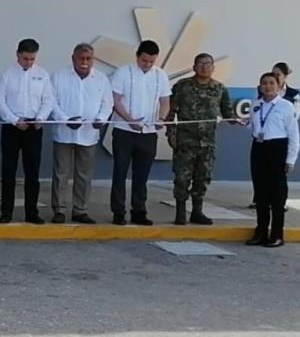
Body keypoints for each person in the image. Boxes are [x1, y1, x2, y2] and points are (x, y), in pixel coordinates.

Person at [166, 53, 236, 225]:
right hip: (185, 142)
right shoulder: (182, 86)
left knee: (202, 178)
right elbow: (170, 112)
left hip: (208, 143)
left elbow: (228, 114)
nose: (204, 67)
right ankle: (180, 213)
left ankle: (197, 212)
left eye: (208, 64)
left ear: (213, 67)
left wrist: (244, 120)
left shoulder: (219, 89)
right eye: (200, 63)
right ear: (194, 67)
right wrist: (171, 133)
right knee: (182, 177)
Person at [109, 40, 171, 226]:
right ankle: (118, 211)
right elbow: (115, 100)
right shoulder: (123, 72)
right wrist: (129, 119)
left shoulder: (160, 75)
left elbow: (165, 102)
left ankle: (139, 211)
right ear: (137, 56)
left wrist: (161, 118)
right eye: (144, 60)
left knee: (142, 175)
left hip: (149, 133)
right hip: (124, 131)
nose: (147, 65)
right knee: (120, 172)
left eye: (151, 61)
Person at [49, 43, 112, 224]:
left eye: (88, 59)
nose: (84, 62)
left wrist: (101, 118)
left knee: (84, 174)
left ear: (93, 60)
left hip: (89, 134)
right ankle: (59, 209)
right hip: (63, 133)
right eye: (81, 58)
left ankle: (80, 210)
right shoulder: (59, 77)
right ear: (73, 59)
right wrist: (66, 119)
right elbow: (52, 102)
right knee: (61, 173)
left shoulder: (101, 79)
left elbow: (107, 103)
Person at [0, 38, 54, 224]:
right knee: (8, 171)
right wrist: (13, 120)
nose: (28, 62)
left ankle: (32, 212)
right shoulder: (7, 74)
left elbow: (48, 100)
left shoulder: (43, 74)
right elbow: (0, 101)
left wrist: (41, 118)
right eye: (25, 58)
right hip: (12, 127)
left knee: (32, 172)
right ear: (18, 54)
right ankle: (6, 212)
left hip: (33, 127)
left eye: (32, 59)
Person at [246, 72, 299, 248]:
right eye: (264, 83)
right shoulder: (256, 105)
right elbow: (253, 127)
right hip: (259, 148)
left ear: (278, 86)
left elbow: (293, 134)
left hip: (277, 148)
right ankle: (260, 231)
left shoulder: (286, 106)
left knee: (277, 195)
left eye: (271, 83)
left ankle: (277, 234)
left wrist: (290, 159)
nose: (267, 86)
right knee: (260, 194)